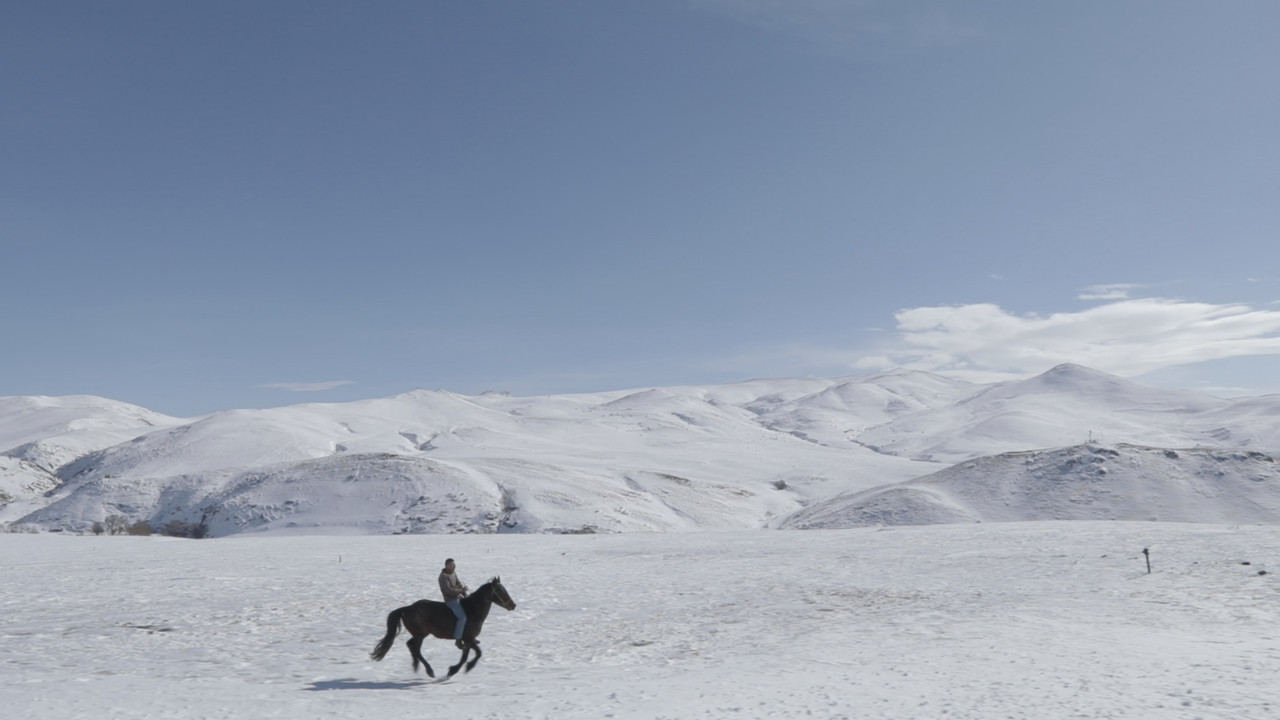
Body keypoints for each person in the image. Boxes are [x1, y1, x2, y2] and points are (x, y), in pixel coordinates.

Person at [438, 558, 469, 648]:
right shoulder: (443, 576)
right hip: (451, 600)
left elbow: (458, 583)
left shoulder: (453, 573)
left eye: (454, 565)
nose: (454, 566)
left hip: (458, 596)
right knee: (462, 618)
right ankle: (458, 639)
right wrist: (461, 590)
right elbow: (448, 590)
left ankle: (469, 635)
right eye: (452, 565)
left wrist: (463, 591)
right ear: (447, 565)